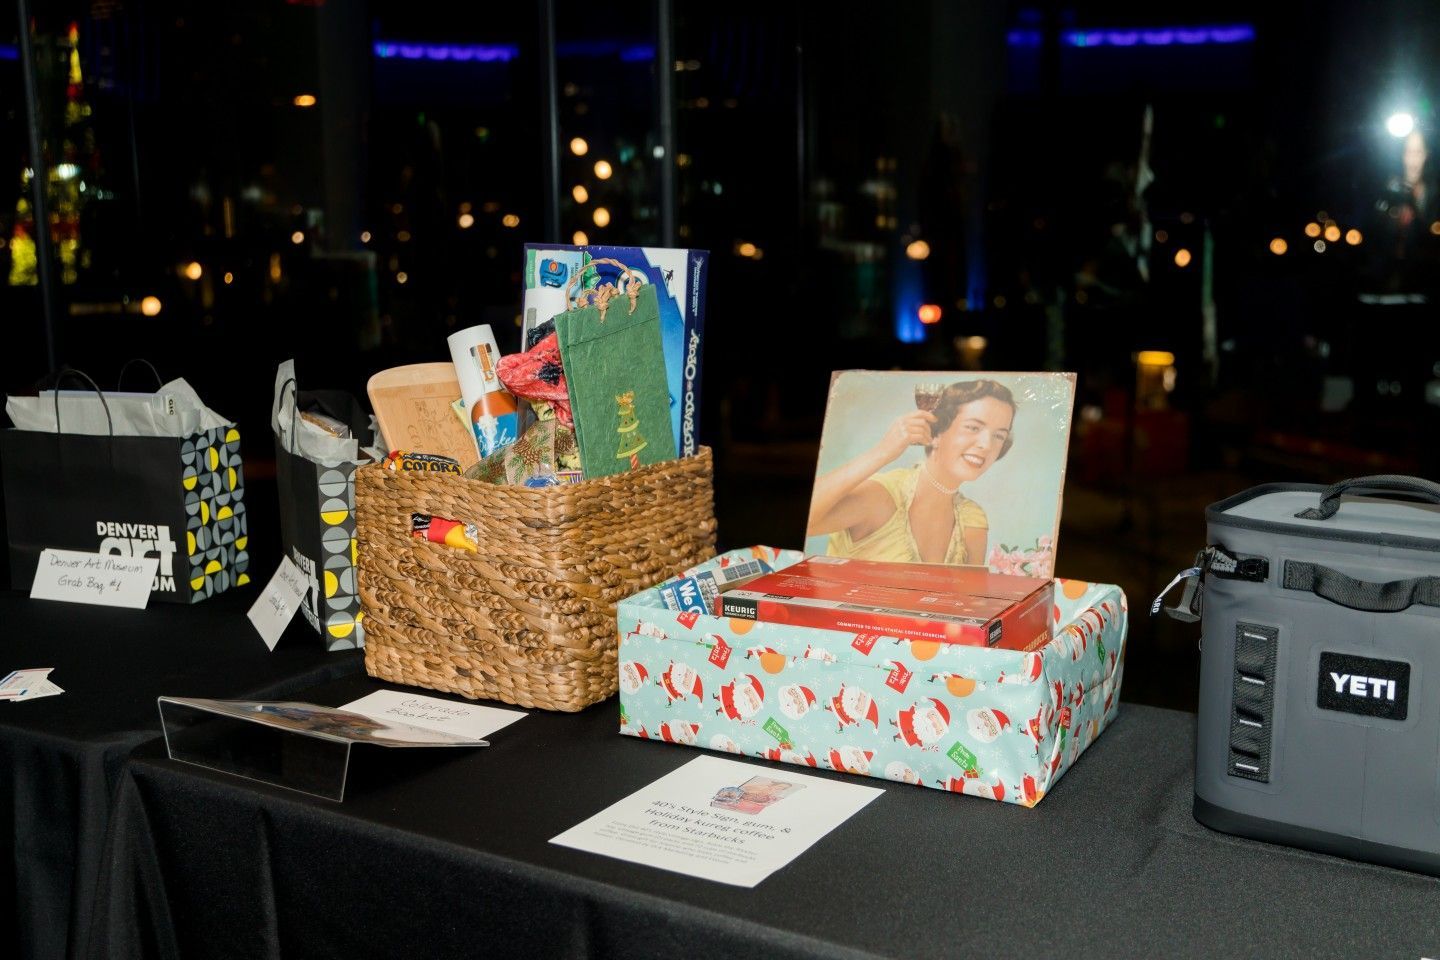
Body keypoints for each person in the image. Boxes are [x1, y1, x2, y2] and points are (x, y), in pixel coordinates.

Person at [807, 379, 1016, 565]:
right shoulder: (883, 497)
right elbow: (806, 520)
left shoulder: (972, 518)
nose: (986, 445)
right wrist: (883, 452)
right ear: (936, 431)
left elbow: (969, 601)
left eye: (999, 436)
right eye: (973, 427)